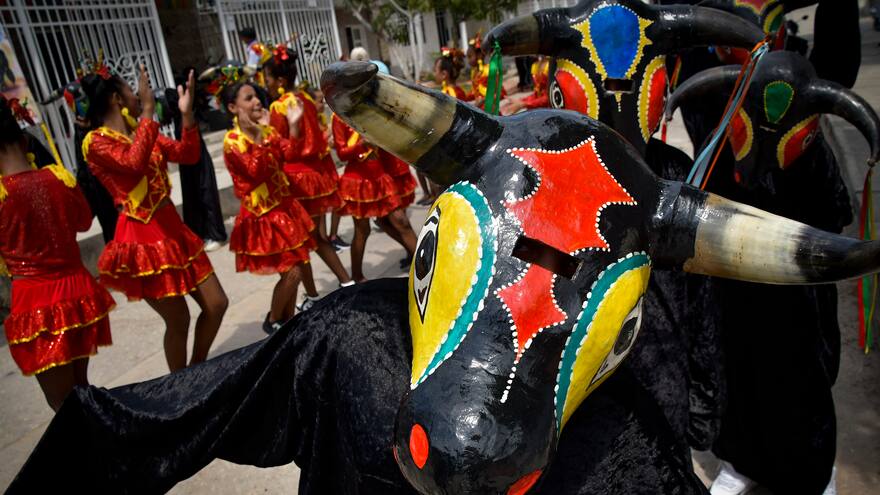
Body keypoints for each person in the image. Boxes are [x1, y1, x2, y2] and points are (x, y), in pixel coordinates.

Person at [81, 65, 228, 372]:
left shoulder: (141, 133)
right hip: (141, 239)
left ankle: (196, 368)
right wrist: (148, 110)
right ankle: (179, 384)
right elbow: (133, 164)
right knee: (179, 320)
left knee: (216, 304)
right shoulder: (96, 142)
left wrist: (186, 115)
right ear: (113, 99)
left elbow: (188, 154)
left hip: (173, 230)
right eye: (132, 92)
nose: (140, 96)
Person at [0, 96, 115, 411]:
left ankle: (97, 457)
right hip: (77, 293)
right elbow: (83, 220)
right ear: (25, 140)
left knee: (64, 405)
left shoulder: (2, 194)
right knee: (81, 391)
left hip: (36, 303)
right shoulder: (59, 177)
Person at [263, 45, 354, 310]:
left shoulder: (280, 107)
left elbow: (279, 146)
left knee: (304, 243)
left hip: (296, 181)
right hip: (317, 176)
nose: (266, 83)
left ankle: (316, 295)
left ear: (280, 80)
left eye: (267, 78)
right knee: (315, 238)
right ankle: (344, 282)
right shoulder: (304, 97)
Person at [221, 81, 317, 333]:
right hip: (262, 216)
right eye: (249, 98)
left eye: (257, 96)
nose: (257, 102)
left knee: (293, 272)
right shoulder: (233, 142)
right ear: (233, 107)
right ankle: (274, 321)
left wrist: (294, 124)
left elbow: (290, 152)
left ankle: (284, 321)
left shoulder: (266, 131)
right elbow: (255, 172)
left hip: (283, 209)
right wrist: (262, 138)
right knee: (292, 272)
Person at [331, 114, 416, 282]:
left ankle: (427, 263)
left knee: (401, 222)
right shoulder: (338, 117)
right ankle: (356, 276)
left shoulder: (365, 109)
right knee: (362, 231)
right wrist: (363, 144)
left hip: (380, 176)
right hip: (357, 181)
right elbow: (341, 154)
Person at [161, 68, 228, 252]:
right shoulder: (177, 112)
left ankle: (216, 234)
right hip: (187, 161)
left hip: (197, 158)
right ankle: (200, 233)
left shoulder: (187, 114)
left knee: (206, 194)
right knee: (194, 196)